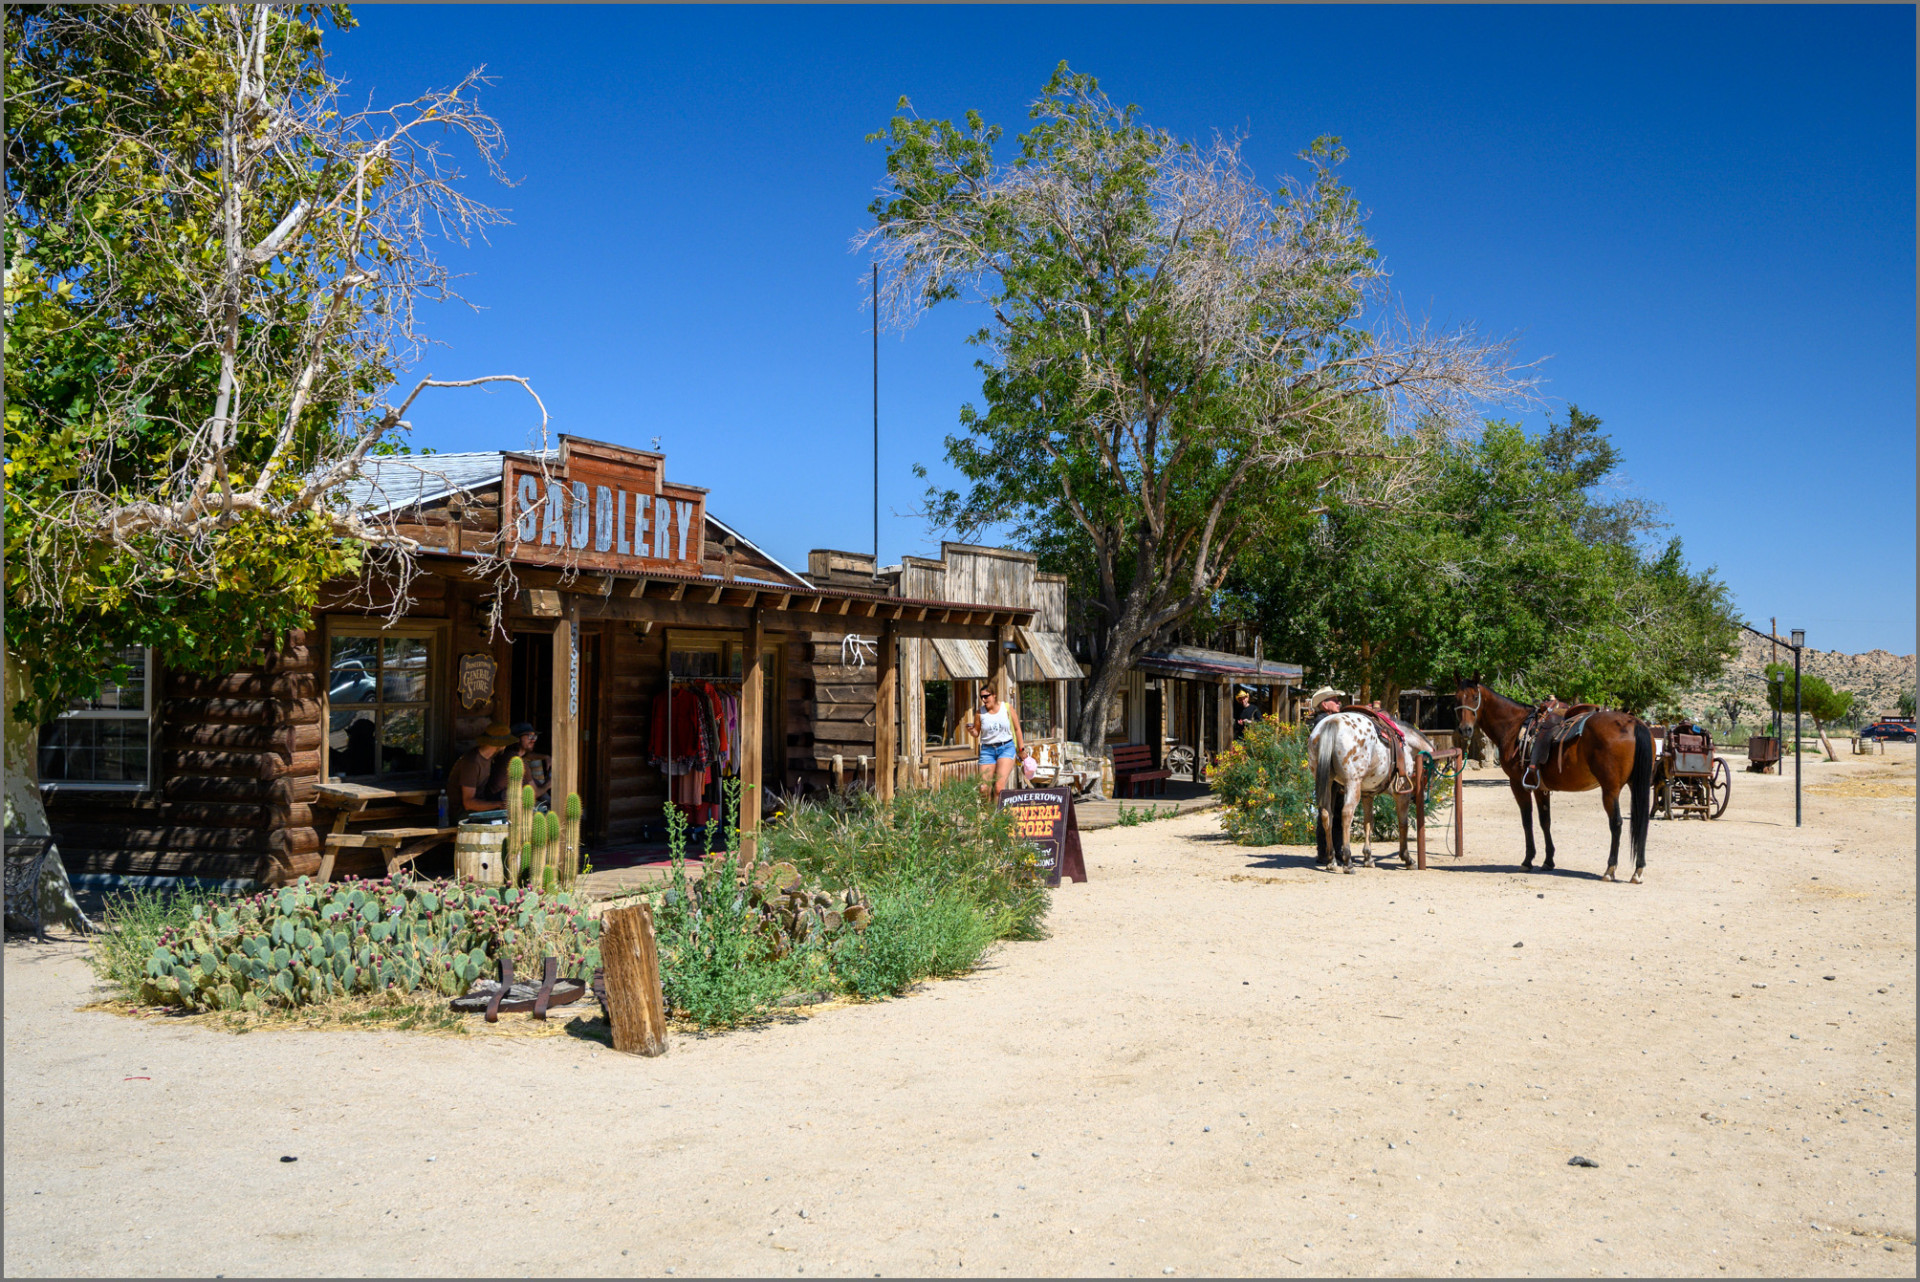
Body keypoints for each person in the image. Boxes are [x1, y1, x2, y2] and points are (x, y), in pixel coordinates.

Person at [966, 686, 1025, 803]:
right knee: (984, 789)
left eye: (986, 696)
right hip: (987, 750)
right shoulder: (980, 712)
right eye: (981, 697)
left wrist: (1021, 749)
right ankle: (987, 813)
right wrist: (971, 731)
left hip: (1006, 747)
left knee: (998, 788)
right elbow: (976, 733)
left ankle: (997, 814)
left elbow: (1017, 729)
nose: (983, 699)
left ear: (994, 695)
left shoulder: (1006, 708)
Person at [446, 722, 513, 820]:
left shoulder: (489, 758)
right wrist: (498, 804)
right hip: (462, 813)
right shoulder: (472, 763)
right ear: (501, 744)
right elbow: (468, 803)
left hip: (479, 808)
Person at [489, 721, 553, 809]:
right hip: (499, 803)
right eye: (530, 737)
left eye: (534, 737)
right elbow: (534, 793)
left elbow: (528, 755)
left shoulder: (507, 753)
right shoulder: (518, 761)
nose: (533, 740)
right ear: (518, 739)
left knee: (532, 782)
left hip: (494, 796)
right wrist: (549, 784)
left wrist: (546, 757)